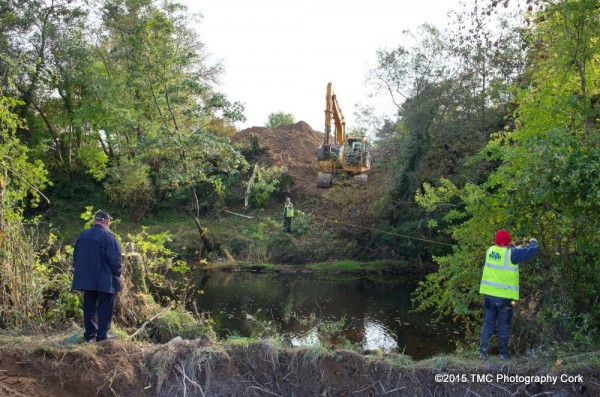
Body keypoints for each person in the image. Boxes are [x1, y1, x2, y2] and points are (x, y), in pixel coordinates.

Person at [479, 229, 539, 359]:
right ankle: (504, 355)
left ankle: (482, 353)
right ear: (508, 241)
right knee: (504, 325)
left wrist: (512, 245)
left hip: (489, 295)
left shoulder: (490, 251)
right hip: (505, 298)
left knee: (488, 324)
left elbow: (504, 250)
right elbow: (532, 249)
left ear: (495, 241)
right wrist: (533, 241)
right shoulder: (512, 254)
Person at [73, 210, 123, 342]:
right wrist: (117, 273)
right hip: (105, 279)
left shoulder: (82, 235)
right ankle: (102, 336)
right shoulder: (108, 236)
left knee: (89, 307)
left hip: (86, 278)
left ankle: (89, 335)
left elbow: (75, 256)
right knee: (105, 307)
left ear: (95, 220)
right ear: (106, 221)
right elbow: (115, 259)